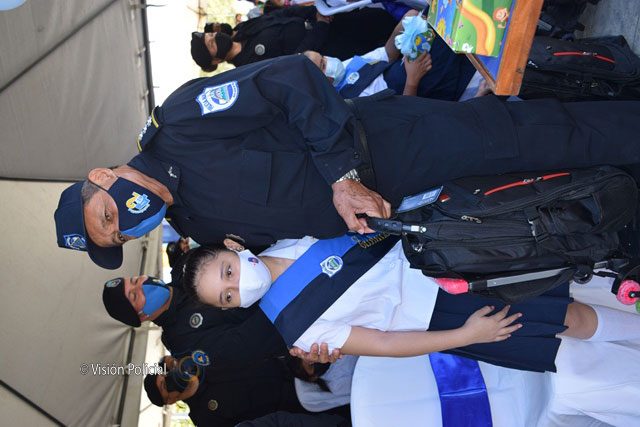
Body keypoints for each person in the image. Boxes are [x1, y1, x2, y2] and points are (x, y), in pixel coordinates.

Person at [54, 54, 640, 269]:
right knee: (547, 186)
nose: (127, 225)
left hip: (388, 146)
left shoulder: (181, 122)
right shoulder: (198, 227)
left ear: (102, 178)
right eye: (119, 237)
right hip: (407, 210)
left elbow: (291, 79)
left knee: (531, 139)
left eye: (108, 216)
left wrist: (342, 177)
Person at [181, 236, 640, 374]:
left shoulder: (287, 235)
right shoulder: (294, 326)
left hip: (440, 253)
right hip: (442, 313)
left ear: (234, 248)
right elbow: (382, 343)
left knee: (564, 267)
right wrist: (466, 336)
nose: (239, 285)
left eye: (228, 271)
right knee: (565, 317)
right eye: (228, 295)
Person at [101, 276, 289, 367]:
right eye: (134, 295)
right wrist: (281, 298)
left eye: (135, 280)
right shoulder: (181, 341)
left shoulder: (185, 268)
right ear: (141, 316)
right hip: (288, 319)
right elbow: (245, 342)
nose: (142, 285)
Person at [303, 9, 477, 100]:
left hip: (405, 64)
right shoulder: (351, 105)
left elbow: (387, 53)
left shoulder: (346, 67)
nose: (329, 61)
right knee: (450, 28)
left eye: (323, 57)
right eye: (323, 65)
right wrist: (412, 79)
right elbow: (404, 119)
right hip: (416, 86)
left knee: (434, 13)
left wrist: (403, 24)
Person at [190, 5, 397, 71]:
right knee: (390, 44)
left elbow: (281, 14)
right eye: (212, 43)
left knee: (381, 17)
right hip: (334, 47)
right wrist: (320, 27)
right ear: (215, 61)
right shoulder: (250, 67)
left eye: (212, 35)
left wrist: (316, 14)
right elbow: (296, 61)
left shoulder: (243, 29)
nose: (216, 36)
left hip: (332, 21)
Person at [143, 354, 306, 426]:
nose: (170, 379)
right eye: (165, 386)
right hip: (296, 406)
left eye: (166, 376)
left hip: (291, 366)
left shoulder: (200, 363)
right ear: (170, 400)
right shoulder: (204, 420)